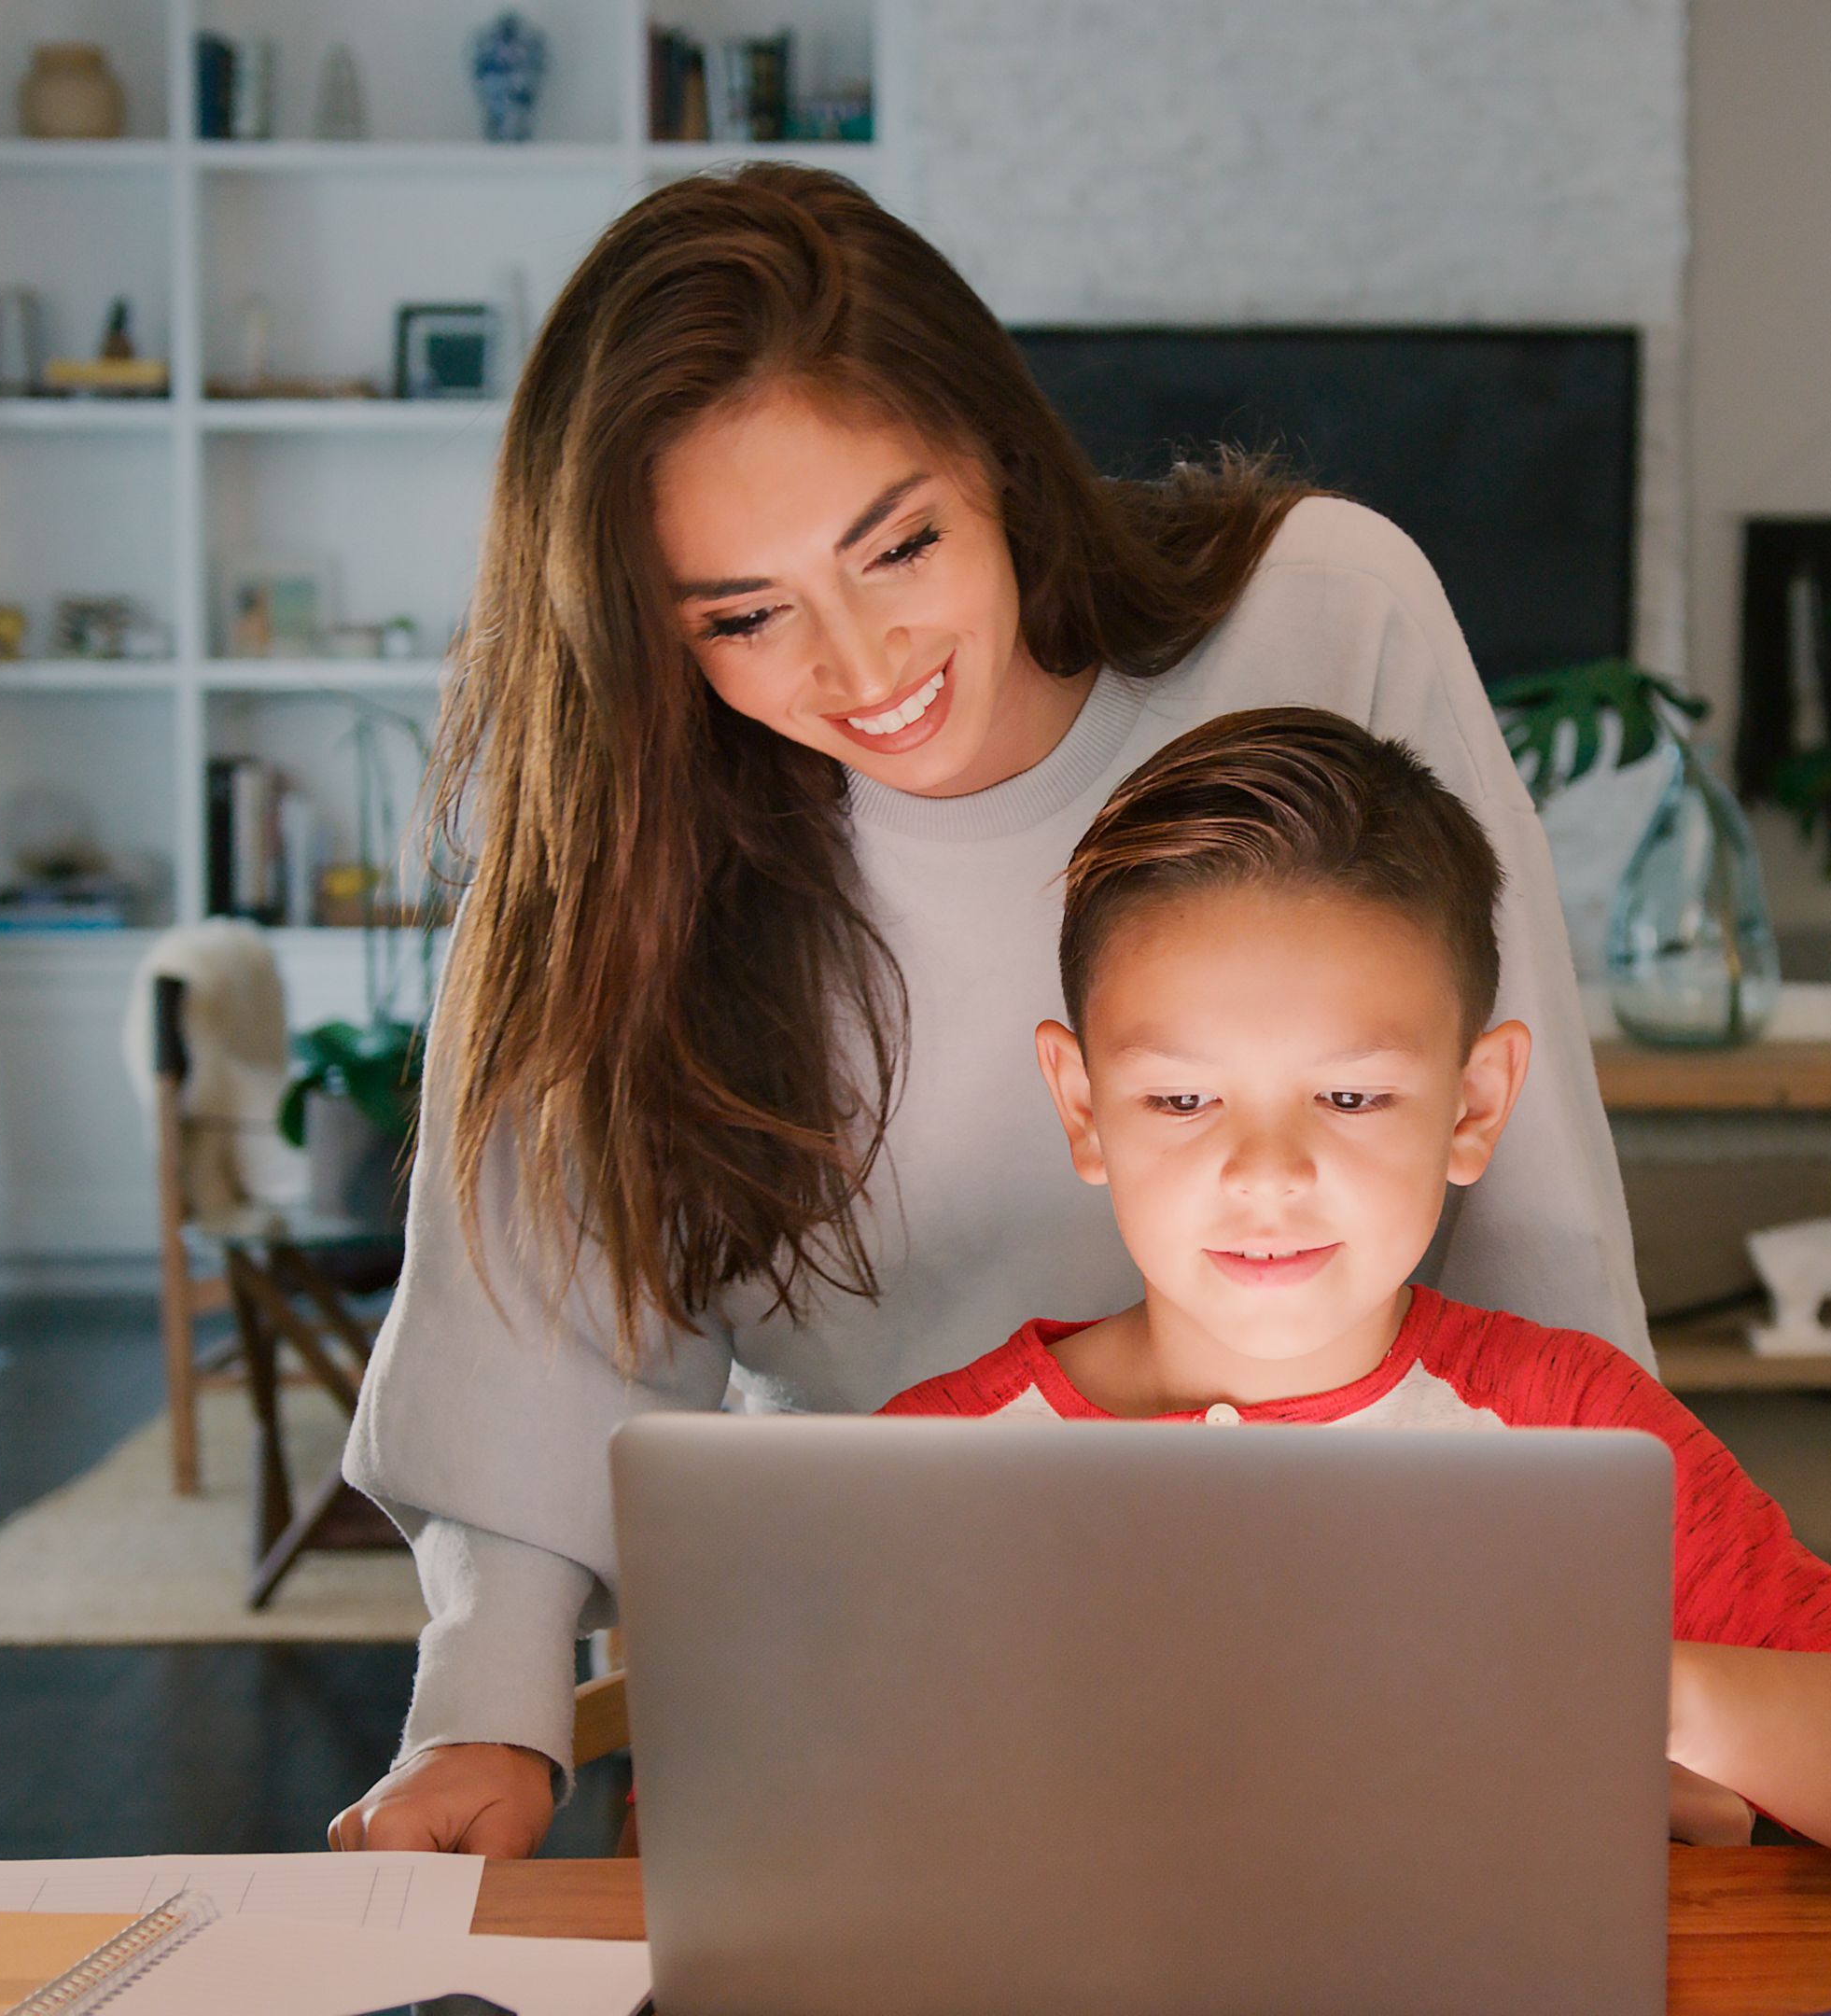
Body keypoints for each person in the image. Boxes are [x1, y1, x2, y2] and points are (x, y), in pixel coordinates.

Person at [329, 166, 1647, 1856]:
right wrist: (489, 1725)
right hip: (875, 1701)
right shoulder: (629, 836)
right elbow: (540, 1318)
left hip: (1356, 1659)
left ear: (1002, 465)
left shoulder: (1329, 613)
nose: (864, 663)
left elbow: (1527, 1214)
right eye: (744, 616)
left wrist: (1606, 1642)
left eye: (901, 545)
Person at [883, 709, 1831, 1865]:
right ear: (1083, 1109)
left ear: (1475, 1107)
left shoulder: (1573, 1428)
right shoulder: (924, 1472)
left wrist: (1630, 1698)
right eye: (1182, 1102)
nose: (1267, 1176)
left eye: (1351, 1099)